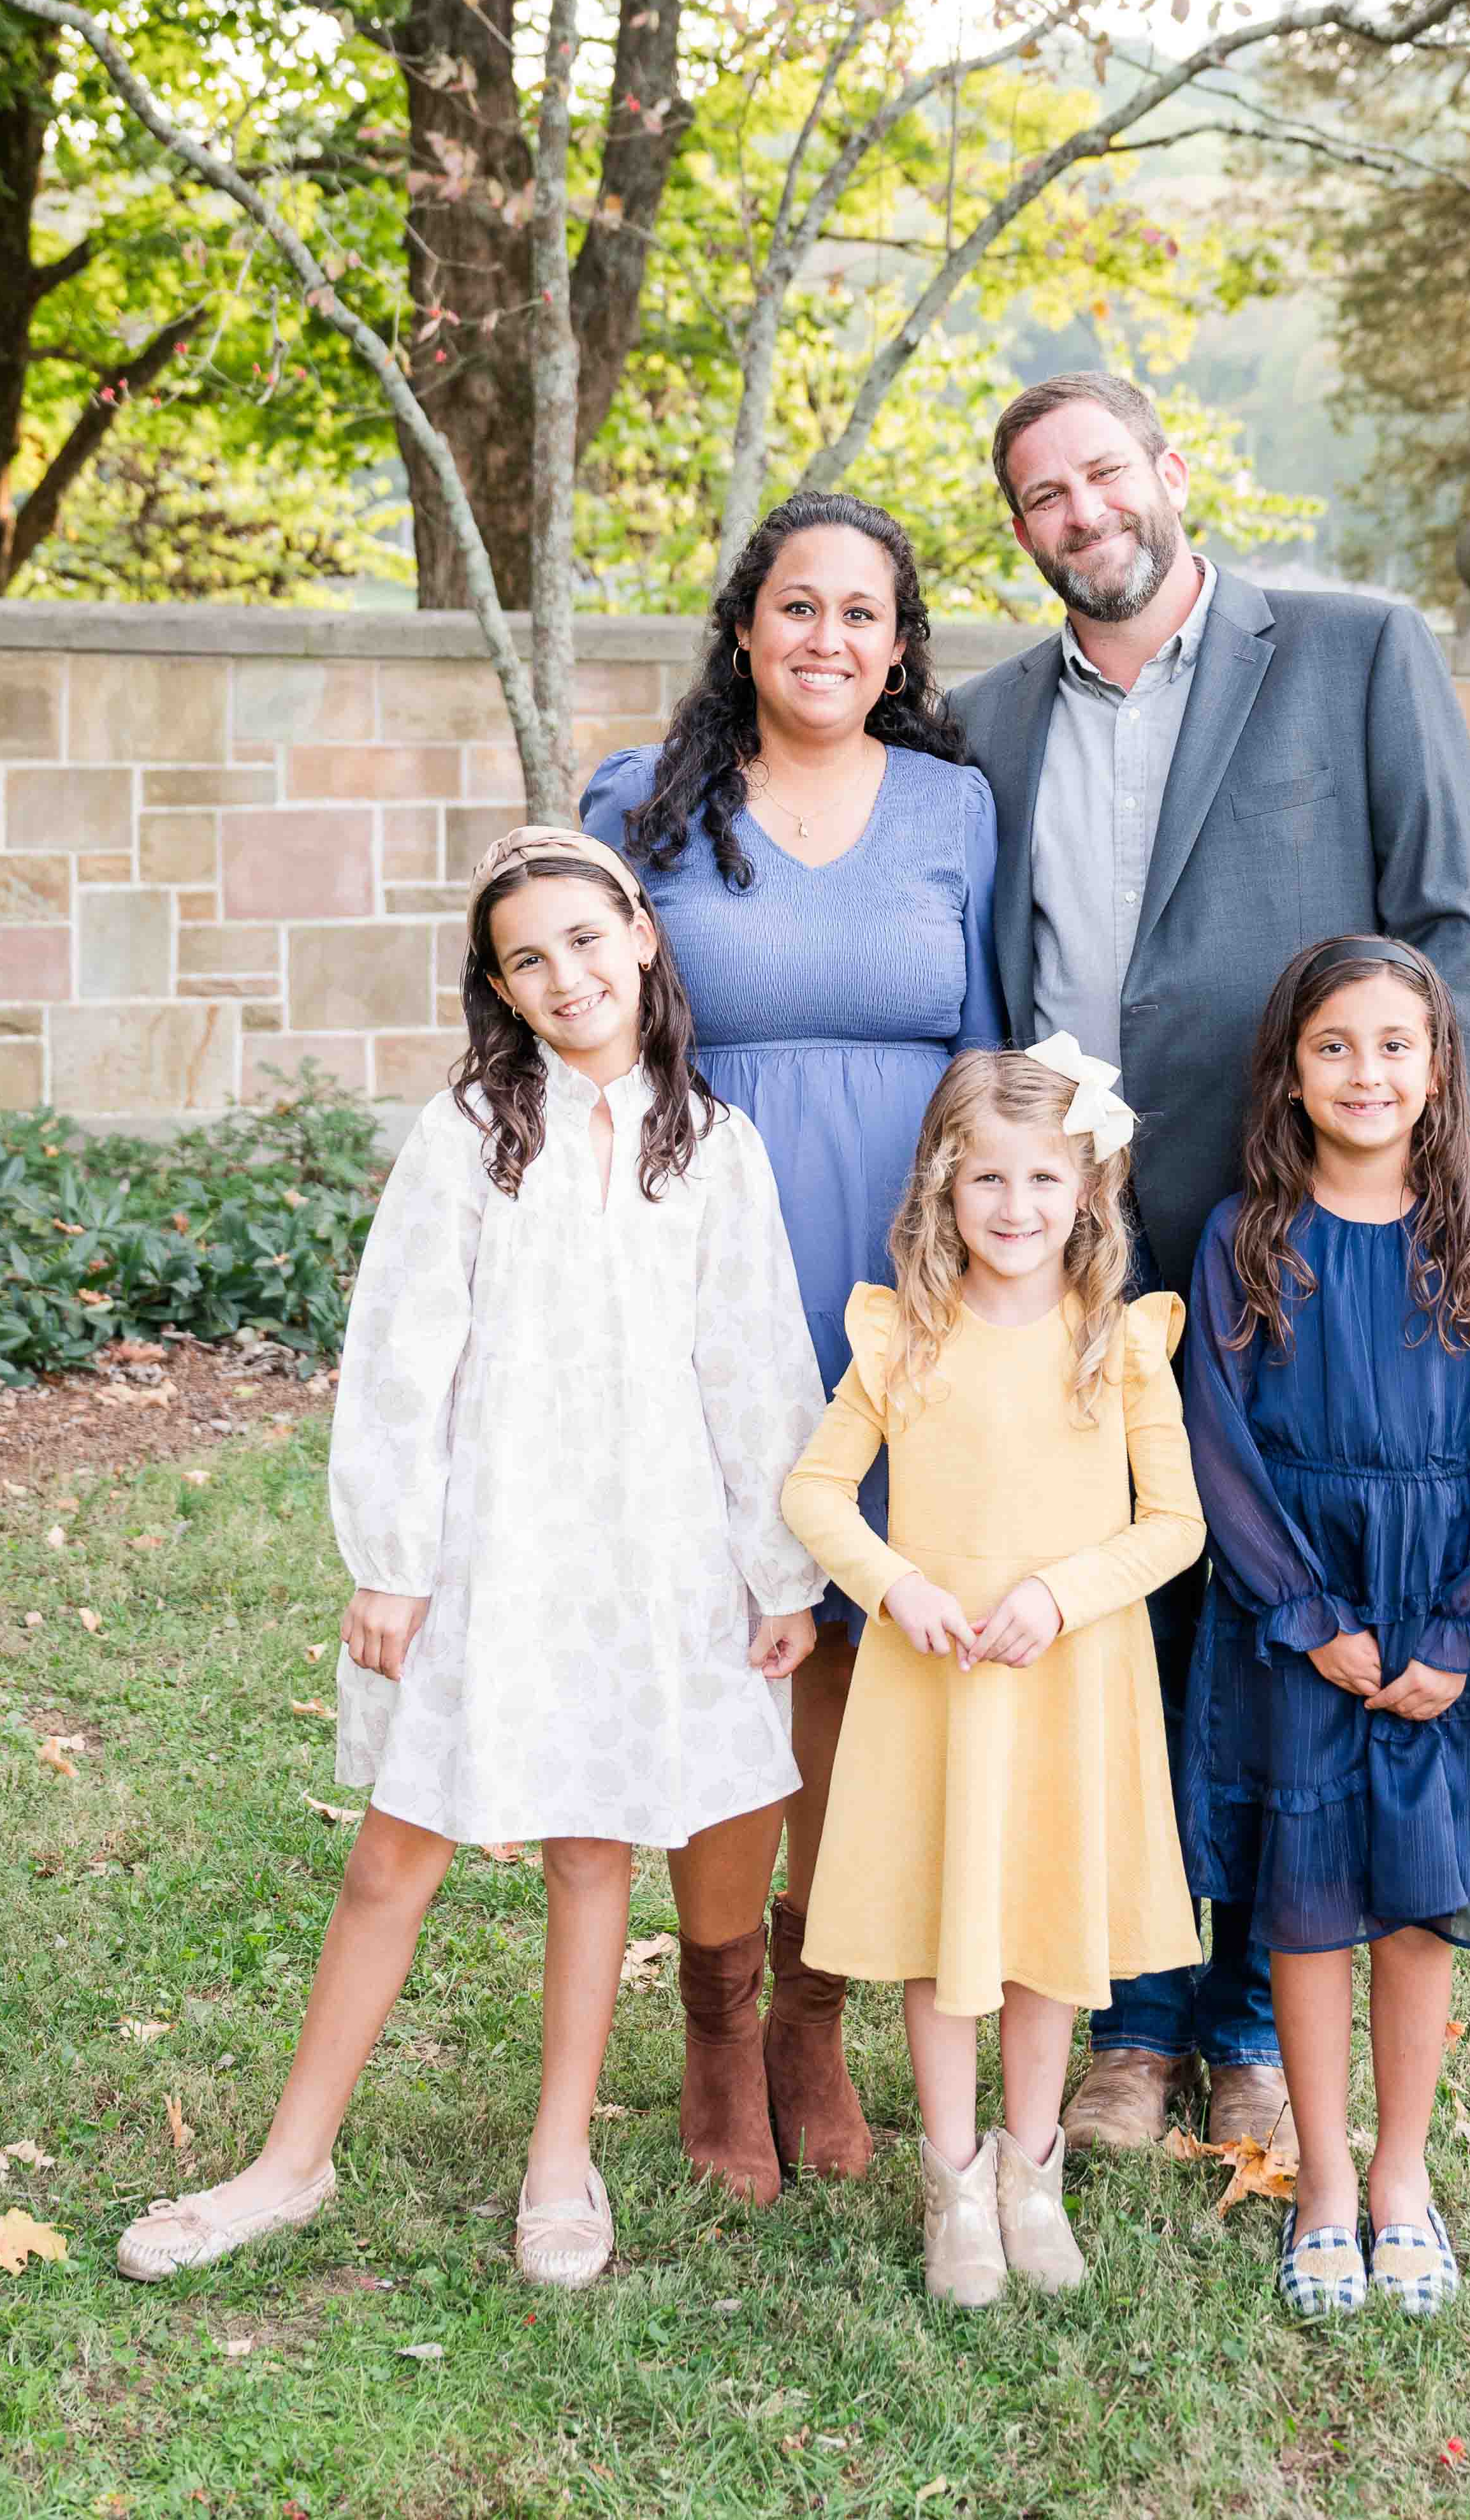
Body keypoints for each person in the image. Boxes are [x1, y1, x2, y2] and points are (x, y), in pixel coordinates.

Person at [115, 828, 827, 2292]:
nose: (564, 974)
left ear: (639, 932)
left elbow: (754, 1363)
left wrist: (779, 1572)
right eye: (526, 959)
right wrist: (391, 1556)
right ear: (499, 989)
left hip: (651, 1547)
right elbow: (400, 1349)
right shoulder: (469, 1133)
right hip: (490, 1537)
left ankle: (558, 2156)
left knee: (591, 1843)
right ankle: (288, 2160)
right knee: (398, 1847)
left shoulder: (714, 1143)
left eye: (583, 937)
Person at [954, 370, 1470, 2157]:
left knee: (1295, 1617)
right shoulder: (982, 724)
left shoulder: (1351, 651)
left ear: (1170, 470)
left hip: (1305, 1224)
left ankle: (1256, 2022)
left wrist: (1392, 1183)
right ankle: (1130, 2011)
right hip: (1085, 1240)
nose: (1081, 511)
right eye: (1042, 495)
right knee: (1129, 1612)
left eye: (1103, 472)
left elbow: (1456, 924)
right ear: (1022, 526)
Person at [583, 491, 1005, 2198]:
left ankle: (816, 2004)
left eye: (864, 614)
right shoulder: (641, 797)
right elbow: (576, 1039)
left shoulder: (960, 811)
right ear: (746, 626)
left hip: (897, 1277)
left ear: (901, 647)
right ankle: (714, 2009)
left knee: (853, 1645)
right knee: (729, 1630)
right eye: (798, 606)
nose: (829, 637)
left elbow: (987, 1051)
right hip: (702, 1268)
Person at [780, 1043, 1205, 2306]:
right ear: (940, 1190)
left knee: (1039, 1929)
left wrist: (1057, 1594)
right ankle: (953, 2180)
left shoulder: (1113, 1343)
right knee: (943, 1932)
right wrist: (895, 1584)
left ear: (1089, 1191)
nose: (1014, 1208)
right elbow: (812, 1490)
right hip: (937, 1682)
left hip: (1067, 1683)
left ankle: (1032, 2168)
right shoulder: (903, 1335)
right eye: (986, 1181)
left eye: (1041, 1179)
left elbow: (1172, 1523)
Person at [1180, 937, 1470, 2317]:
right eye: (1333, 1044)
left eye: (1395, 1043)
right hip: (1301, 1619)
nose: (1366, 1071)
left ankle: (1403, 2172)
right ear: (1287, 1069)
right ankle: (1321, 2175)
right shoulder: (1245, 1238)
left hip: (1440, 1612)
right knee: (1309, 1896)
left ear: (1439, 1066)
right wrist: (1305, 1611)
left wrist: (1454, 1631)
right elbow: (1221, 1448)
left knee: (1416, 1900)